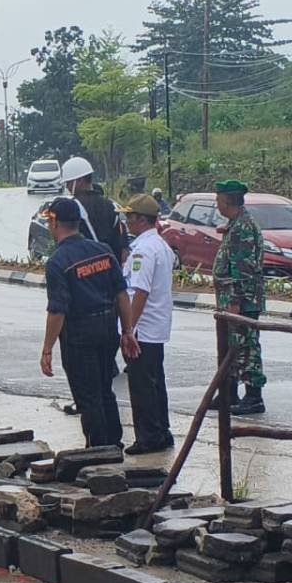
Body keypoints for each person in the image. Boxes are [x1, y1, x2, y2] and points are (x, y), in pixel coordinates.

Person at [39, 198, 141, 448]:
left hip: (79, 335)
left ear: (54, 223)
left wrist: (47, 348)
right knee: (105, 389)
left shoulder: (58, 262)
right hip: (108, 329)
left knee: (88, 397)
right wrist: (127, 331)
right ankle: (114, 443)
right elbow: (121, 294)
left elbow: (57, 311)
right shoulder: (104, 251)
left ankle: (98, 451)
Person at [120, 194, 175, 455]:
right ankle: (161, 431)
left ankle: (148, 436)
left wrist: (128, 329)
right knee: (155, 382)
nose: (126, 222)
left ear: (141, 219)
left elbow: (139, 292)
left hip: (142, 327)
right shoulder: (160, 245)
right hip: (156, 327)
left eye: (130, 217)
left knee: (142, 385)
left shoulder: (143, 250)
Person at [212, 179, 266, 415]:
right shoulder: (235, 224)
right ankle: (229, 394)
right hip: (232, 301)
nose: (217, 205)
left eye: (218, 201)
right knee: (231, 347)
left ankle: (253, 396)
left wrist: (235, 302)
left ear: (227, 201)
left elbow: (242, 269)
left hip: (242, 302)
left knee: (246, 347)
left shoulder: (243, 227)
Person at [61, 156, 127, 261]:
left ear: (79, 180)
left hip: (85, 268)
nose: (67, 187)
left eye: (69, 183)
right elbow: (124, 245)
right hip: (113, 268)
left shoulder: (72, 207)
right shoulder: (112, 205)